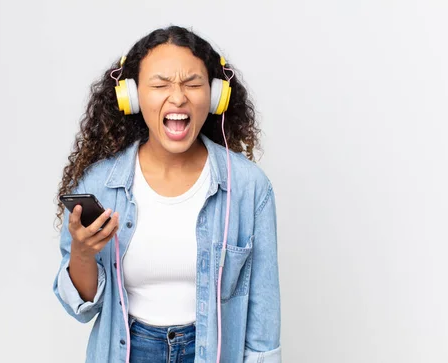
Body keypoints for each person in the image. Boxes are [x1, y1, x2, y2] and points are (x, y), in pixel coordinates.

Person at [53, 25, 281, 363]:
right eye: (160, 85)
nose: (177, 97)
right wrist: (83, 255)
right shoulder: (100, 184)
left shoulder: (248, 187)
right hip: (129, 351)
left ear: (217, 95)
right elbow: (83, 309)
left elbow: (263, 315)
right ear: (131, 97)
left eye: (192, 84)